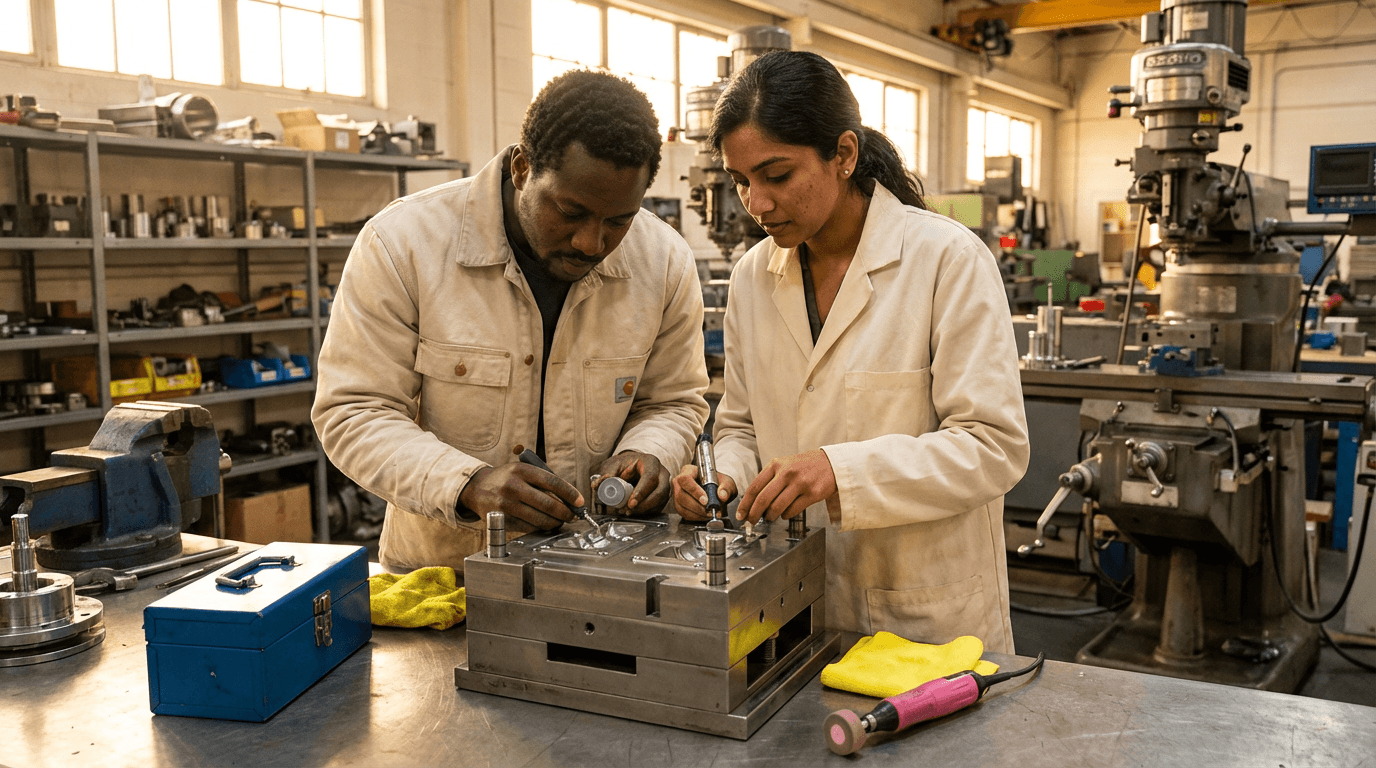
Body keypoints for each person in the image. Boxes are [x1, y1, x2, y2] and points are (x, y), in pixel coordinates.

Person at [671, 51, 1029, 653]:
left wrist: (840, 471)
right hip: (793, 605)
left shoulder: (946, 260)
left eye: (776, 176)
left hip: (922, 618)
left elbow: (993, 447)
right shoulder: (753, 276)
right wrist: (723, 476)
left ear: (843, 154)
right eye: (741, 180)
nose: (756, 203)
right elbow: (742, 425)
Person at [315, 70, 710, 573]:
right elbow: (353, 411)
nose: (591, 242)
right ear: (522, 168)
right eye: (570, 211)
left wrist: (648, 452)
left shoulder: (664, 260)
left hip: (605, 573)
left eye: (618, 220)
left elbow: (673, 401)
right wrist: (467, 483)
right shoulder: (404, 244)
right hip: (447, 575)